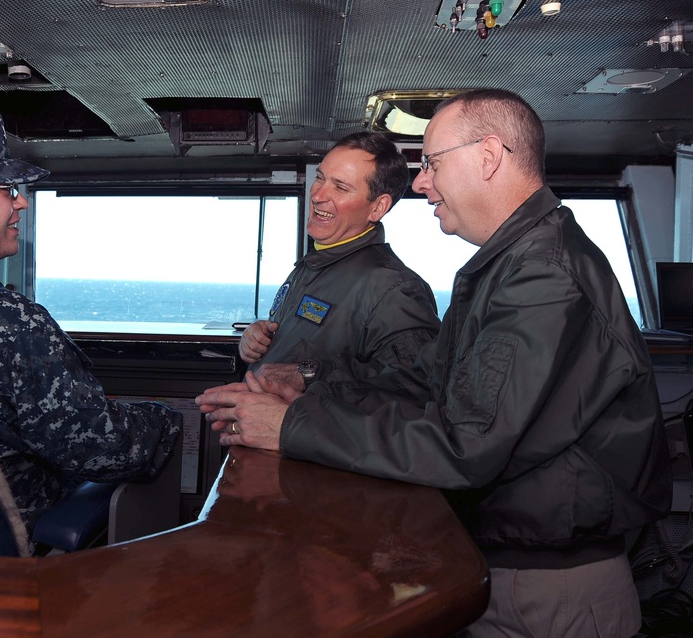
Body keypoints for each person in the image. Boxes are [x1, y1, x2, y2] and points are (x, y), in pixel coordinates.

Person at [197, 89, 672, 637]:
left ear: (489, 156)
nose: (421, 184)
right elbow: (426, 373)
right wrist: (308, 380)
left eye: (432, 163)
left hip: (550, 587)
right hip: (508, 562)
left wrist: (291, 425)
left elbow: (465, 444)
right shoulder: (507, 266)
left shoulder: (543, 275)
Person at [0, 112, 181, 554]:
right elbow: (104, 449)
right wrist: (165, 419)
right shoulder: (5, 321)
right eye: (5, 189)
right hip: (9, 542)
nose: (20, 202)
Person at [238, 132, 439, 386]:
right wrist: (257, 340)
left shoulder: (394, 289)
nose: (318, 195)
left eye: (340, 187)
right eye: (320, 178)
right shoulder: (313, 264)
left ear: (377, 207)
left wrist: (309, 373)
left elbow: (414, 385)